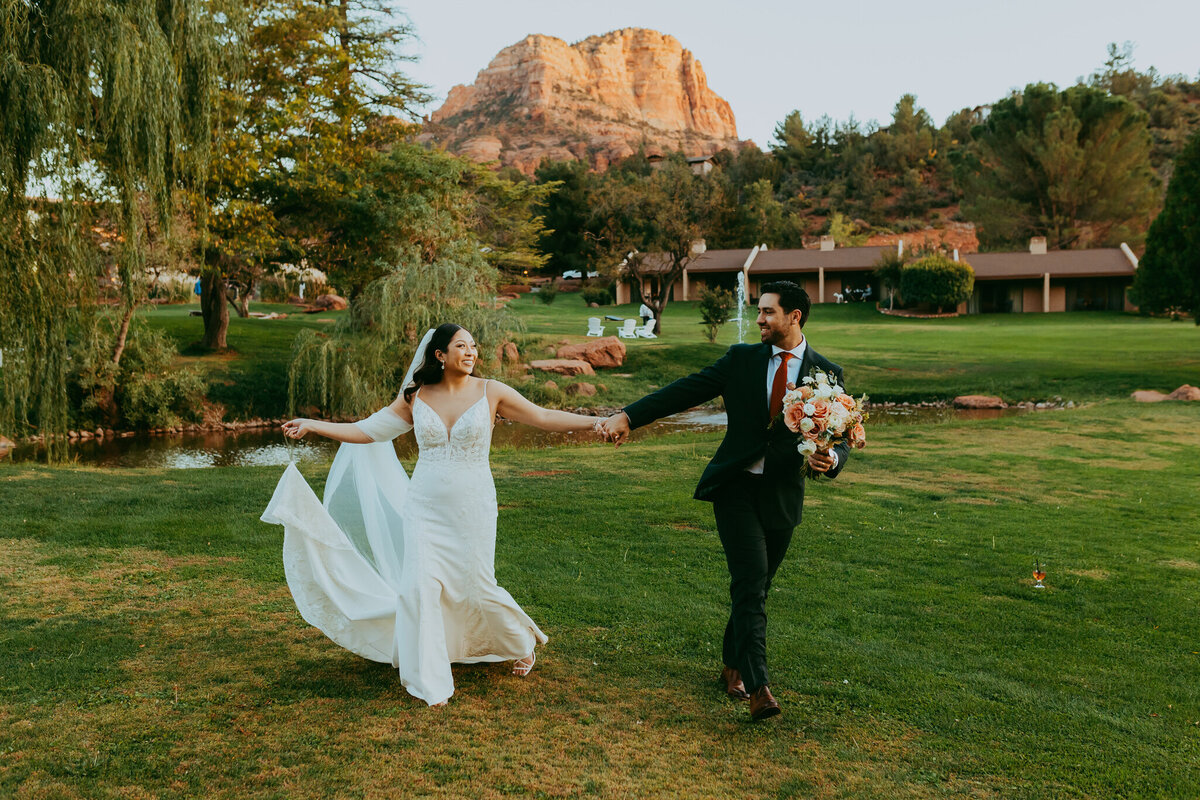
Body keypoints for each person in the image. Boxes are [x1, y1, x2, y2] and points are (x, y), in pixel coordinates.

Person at [263, 323, 607, 707]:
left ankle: (520, 641)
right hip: (424, 507)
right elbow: (368, 431)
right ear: (440, 355)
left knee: (477, 586)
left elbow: (543, 417)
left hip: (473, 506)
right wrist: (313, 425)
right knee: (419, 588)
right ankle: (429, 681)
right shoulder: (416, 396)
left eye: (474, 346)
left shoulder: (491, 392)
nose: (471, 352)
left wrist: (595, 423)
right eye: (461, 345)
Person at [599, 280, 850, 722]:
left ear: (795, 317)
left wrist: (832, 459)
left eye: (768, 312)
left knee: (758, 587)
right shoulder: (741, 360)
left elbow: (841, 435)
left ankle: (733, 664)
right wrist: (629, 416)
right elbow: (684, 390)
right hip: (735, 488)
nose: (758, 319)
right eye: (757, 311)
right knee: (750, 581)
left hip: (783, 496)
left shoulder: (826, 374)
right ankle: (759, 686)